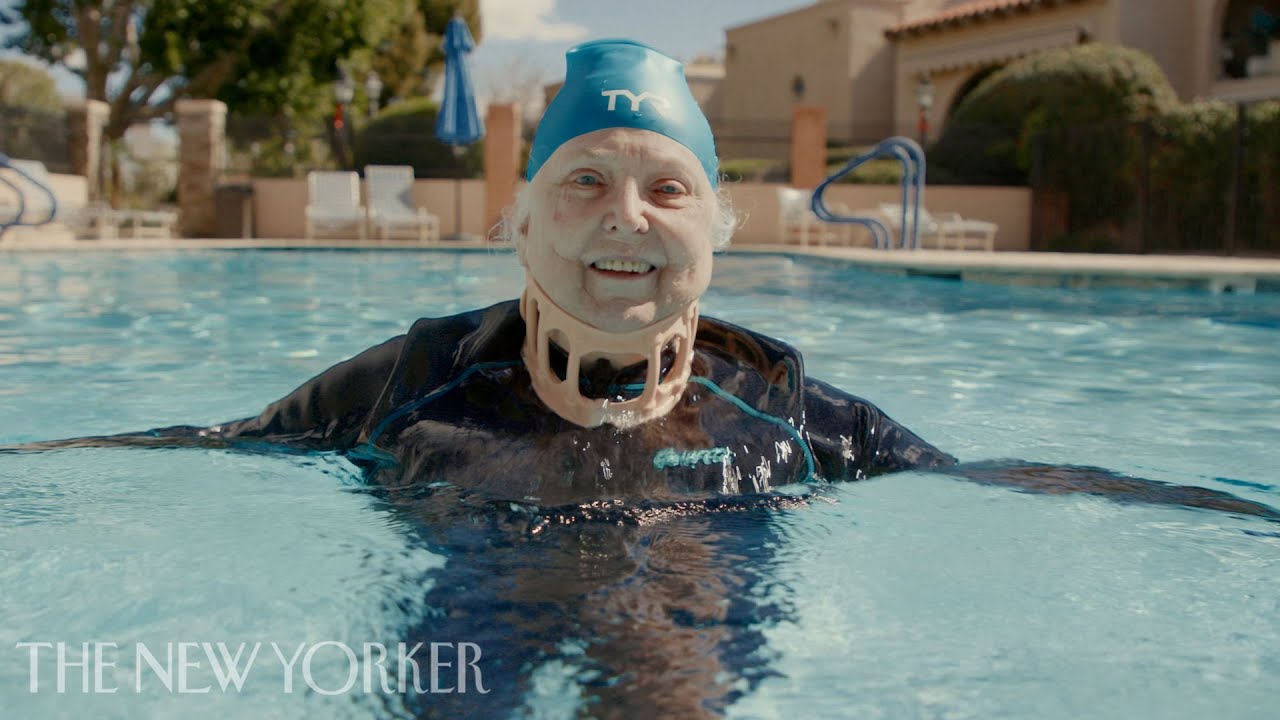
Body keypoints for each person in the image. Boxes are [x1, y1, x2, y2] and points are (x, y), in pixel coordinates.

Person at [4, 39, 1277, 523]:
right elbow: (209, 442)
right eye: (583, 182)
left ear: (715, 230)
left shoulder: (784, 411)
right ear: (518, 227)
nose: (625, 220)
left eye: (665, 188)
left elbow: (991, 476)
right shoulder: (413, 382)